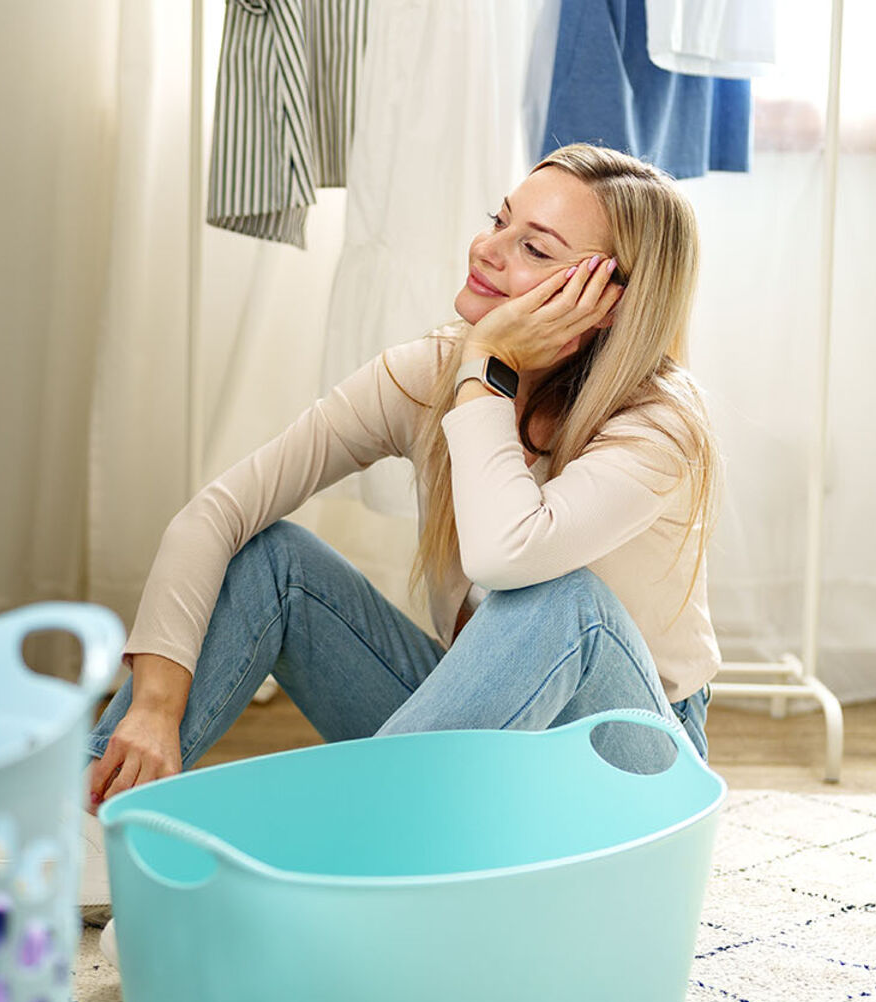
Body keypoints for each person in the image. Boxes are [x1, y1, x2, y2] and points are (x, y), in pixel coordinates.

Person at [86, 143, 721, 812]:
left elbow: (506, 556)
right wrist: (154, 707)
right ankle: (91, 816)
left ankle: (351, 850)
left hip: (630, 773)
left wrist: (487, 364)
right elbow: (217, 513)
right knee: (272, 559)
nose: (486, 249)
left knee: (564, 601)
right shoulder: (430, 372)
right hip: (478, 744)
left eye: (534, 249)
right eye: (499, 221)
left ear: (609, 302)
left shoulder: (660, 427)